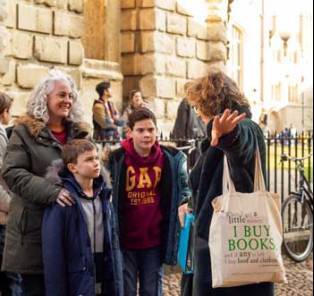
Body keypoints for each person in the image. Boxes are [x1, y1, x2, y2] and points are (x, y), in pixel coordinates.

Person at [178, 71, 274, 296]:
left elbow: (243, 142)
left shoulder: (245, 126)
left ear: (208, 103)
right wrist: (190, 203)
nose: (197, 112)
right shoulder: (214, 134)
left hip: (228, 242)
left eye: (197, 105)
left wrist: (229, 137)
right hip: (214, 240)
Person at [1, 69, 90, 295]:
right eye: (61, 95)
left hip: (71, 229)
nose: (67, 100)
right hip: (33, 233)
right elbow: (12, 172)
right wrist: (52, 192)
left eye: (70, 95)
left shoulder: (79, 133)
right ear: (45, 97)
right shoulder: (24, 132)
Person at [109, 107, 191, 296]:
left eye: (151, 129)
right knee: (126, 289)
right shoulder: (117, 159)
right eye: (140, 130)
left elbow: (184, 187)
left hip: (154, 239)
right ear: (130, 132)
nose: (147, 134)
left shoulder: (170, 158)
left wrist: (185, 201)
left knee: (151, 289)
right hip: (125, 239)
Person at [42, 139, 123, 296]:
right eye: (88, 159)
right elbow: (53, 253)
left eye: (96, 158)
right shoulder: (63, 200)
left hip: (104, 275)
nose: (96, 163)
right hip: (77, 278)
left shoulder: (104, 195)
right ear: (73, 168)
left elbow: (114, 242)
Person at [0, 92, 23, 296]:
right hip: (3, 218)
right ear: (4, 112)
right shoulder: (0, 135)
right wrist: (13, 206)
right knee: (11, 278)